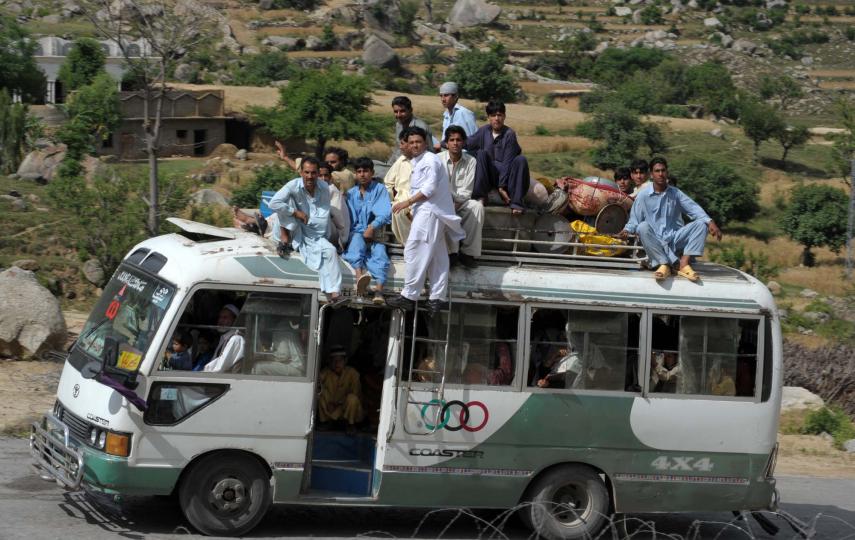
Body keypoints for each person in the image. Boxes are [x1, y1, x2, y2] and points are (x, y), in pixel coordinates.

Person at [387, 127, 465, 313]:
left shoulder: (429, 161)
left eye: (418, 142)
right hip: (429, 212)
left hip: (430, 212)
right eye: (411, 142)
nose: (414, 145)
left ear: (426, 143)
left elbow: (428, 189)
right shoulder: (419, 161)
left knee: (415, 249)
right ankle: (437, 298)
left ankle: (409, 295)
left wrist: (407, 202)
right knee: (438, 257)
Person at [619, 157, 722, 282]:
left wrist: (710, 222)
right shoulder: (643, 195)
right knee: (642, 227)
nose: (660, 174)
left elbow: (694, 209)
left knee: (702, 223)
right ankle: (665, 264)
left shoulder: (675, 193)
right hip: (655, 242)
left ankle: (683, 263)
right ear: (651, 174)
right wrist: (626, 230)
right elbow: (634, 220)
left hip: (674, 239)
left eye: (663, 170)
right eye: (657, 171)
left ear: (667, 172)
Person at [268, 157, 345, 302]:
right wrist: (295, 213)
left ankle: (334, 293)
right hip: (292, 227)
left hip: (314, 232)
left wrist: (309, 223)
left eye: (313, 173)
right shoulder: (293, 186)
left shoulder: (323, 188)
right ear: (301, 173)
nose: (310, 176)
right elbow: (273, 203)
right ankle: (285, 240)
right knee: (287, 202)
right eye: (307, 172)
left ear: (317, 173)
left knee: (330, 251)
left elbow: (322, 218)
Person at [466, 100, 530, 215]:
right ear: (489, 117)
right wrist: (446, 143)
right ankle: (480, 196)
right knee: (481, 153)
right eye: (493, 115)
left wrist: (501, 187)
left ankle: (516, 203)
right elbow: (468, 142)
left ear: (504, 116)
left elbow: (507, 162)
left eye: (499, 115)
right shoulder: (483, 131)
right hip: (489, 176)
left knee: (521, 160)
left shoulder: (509, 134)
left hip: (507, 178)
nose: (496, 118)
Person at [343, 157, 392, 304]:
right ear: (355, 174)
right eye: (359, 172)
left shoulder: (379, 189)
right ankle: (359, 276)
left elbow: (384, 213)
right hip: (357, 232)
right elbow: (349, 220)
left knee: (380, 255)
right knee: (356, 244)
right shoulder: (351, 193)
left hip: (377, 233)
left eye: (365, 171)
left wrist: (371, 227)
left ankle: (378, 291)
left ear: (372, 172)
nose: (362, 174)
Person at [439, 125, 482, 269]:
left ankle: (468, 253)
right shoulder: (437, 160)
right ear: (446, 143)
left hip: (461, 201)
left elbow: (466, 191)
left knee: (476, 207)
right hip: (441, 201)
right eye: (452, 140)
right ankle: (451, 254)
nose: (455, 143)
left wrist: (455, 203)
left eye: (458, 140)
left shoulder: (471, 161)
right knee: (445, 211)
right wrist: (448, 203)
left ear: (463, 142)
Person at [275, 141, 355, 193]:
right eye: (327, 162)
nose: (329, 164)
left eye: (333, 162)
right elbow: (302, 168)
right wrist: (285, 157)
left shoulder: (346, 175)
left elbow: (308, 171)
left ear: (342, 162)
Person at [318, 346, 364, 433]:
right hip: (330, 409)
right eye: (334, 361)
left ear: (345, 361)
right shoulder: (326, 372)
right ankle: (325, 422)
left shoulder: (353, 373)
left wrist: (337, 404)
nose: (337, 363)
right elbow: (317, 382)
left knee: (352, 399)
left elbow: (356, 393)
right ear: (330, 362)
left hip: (345, 409)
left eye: (340, 361)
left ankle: (350, 425)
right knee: (320, 394)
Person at [384, 129, 415, 244]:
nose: (400, 147)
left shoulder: (425, 161)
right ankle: (409, 245)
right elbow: (388, 182)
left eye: (402, 143)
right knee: (398, 210)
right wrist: (393, 195)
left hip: (418, 201)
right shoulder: (401, 160)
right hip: (401, 201)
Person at [389, 95, 436, 162]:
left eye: (402, 111)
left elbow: (429, 151)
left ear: (410, 110)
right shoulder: (398, 125)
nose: (398, 115)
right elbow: (397, 149)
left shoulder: (421, 127)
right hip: (401, 162)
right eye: (396, 112)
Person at [203, 304, 245, 372]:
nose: (220, 321)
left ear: (235, 320)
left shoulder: (236, 339)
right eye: (220, 317)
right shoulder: (224, 337)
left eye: (225, 317)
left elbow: (220, 368)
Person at [438, 81, 478, 149]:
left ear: (455, 96)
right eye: (441, 96)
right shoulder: (446, 115)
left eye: (446, 95)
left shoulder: (464, 113)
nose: (443, 99)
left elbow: (474, 139)